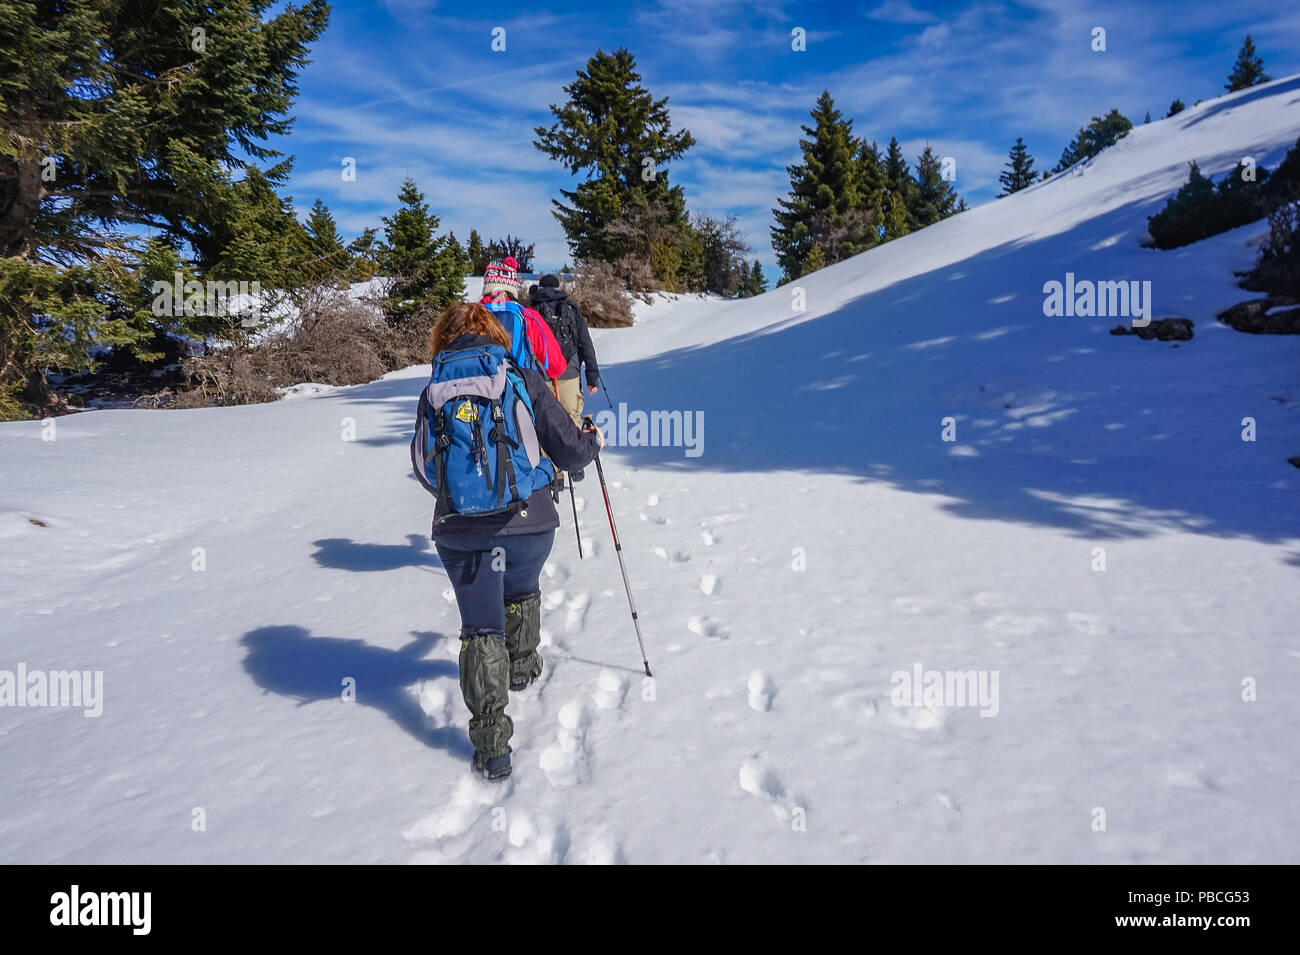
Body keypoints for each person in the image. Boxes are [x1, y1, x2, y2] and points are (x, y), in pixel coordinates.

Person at [424, 302, 603, 780]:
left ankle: (492, 747)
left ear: (445, 337)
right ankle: (521, 666)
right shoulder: (521, 375)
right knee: (521, 585)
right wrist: (592, 443)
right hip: (529, 523)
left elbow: (426, 469)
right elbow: (568, 448)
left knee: (482, 627)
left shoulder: (435, 388)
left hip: (460, 531)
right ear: (496, 333)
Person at [529, 274, 601, 482]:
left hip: (542, 374)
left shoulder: (531, 310)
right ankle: (575, 462)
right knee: (571, 417)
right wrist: (592, 375)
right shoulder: (571, 309)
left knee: (545, 421)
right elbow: (585, 343)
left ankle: (553, 473)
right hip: (569, 372)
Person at [480, 256, 566, 381]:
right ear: (511, 287)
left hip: (475, 391)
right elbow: (556, 365)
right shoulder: (528, 316)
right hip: (518, 387)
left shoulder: (469, 315)